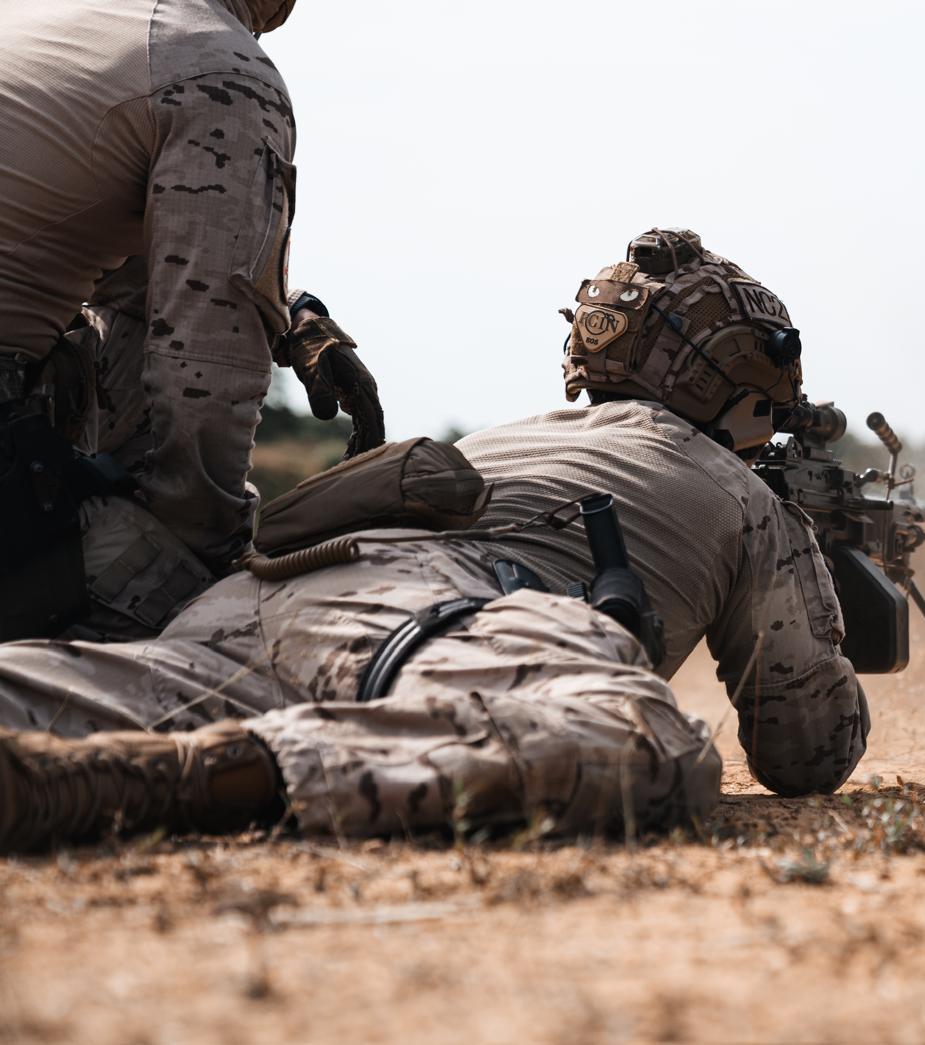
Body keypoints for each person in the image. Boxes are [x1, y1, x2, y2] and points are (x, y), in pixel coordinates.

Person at [0, 229, 869, 851]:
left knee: (52, 689)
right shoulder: (744, 494)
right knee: (640, 736)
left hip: (262, 604)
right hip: (446, 619)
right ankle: (194, 778)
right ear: (749, 386)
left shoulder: (515, 432)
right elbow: (805, 750)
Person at [0, 0, 380, 642]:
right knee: (219, 616)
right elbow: (205, 368)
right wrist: (214, 554)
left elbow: (148, 280)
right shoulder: (219, 69)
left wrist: (289, 316)